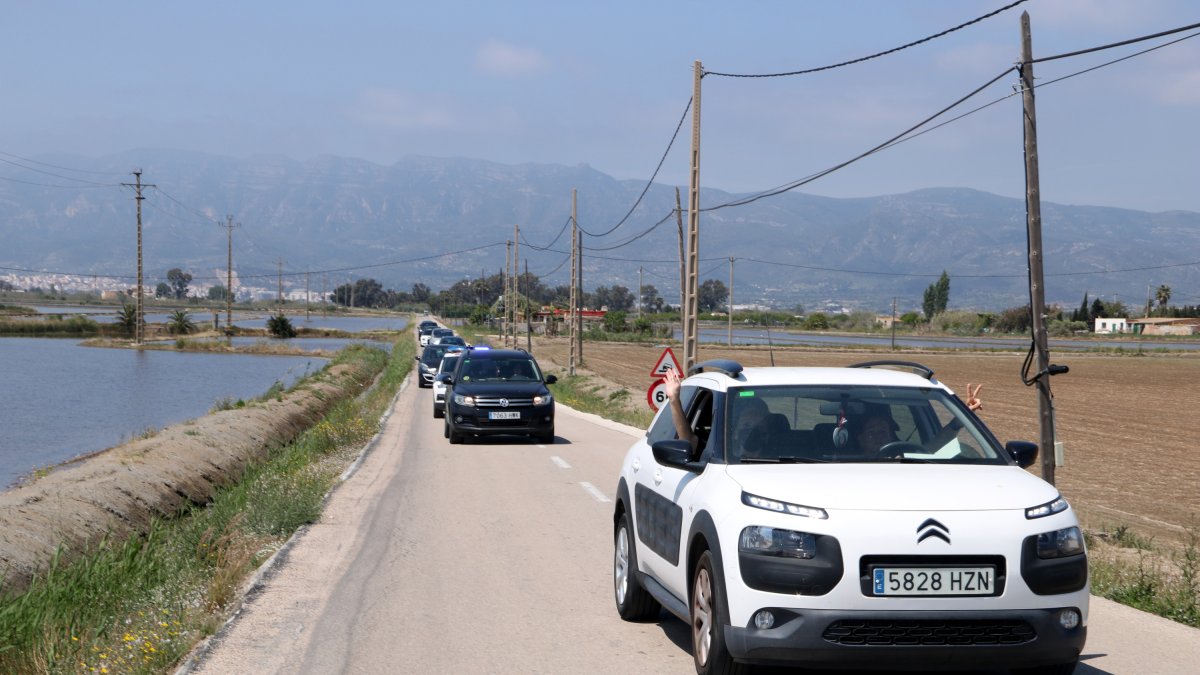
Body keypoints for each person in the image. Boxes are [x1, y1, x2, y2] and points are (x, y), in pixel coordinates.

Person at [663, 367, 772, 455]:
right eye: (747, 425)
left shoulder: (782, 459)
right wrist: (674, 399)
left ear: (768, 435)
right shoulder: (716, 452)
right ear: (735, 432)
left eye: (758, 427)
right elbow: (688, 441)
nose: (752, 431)